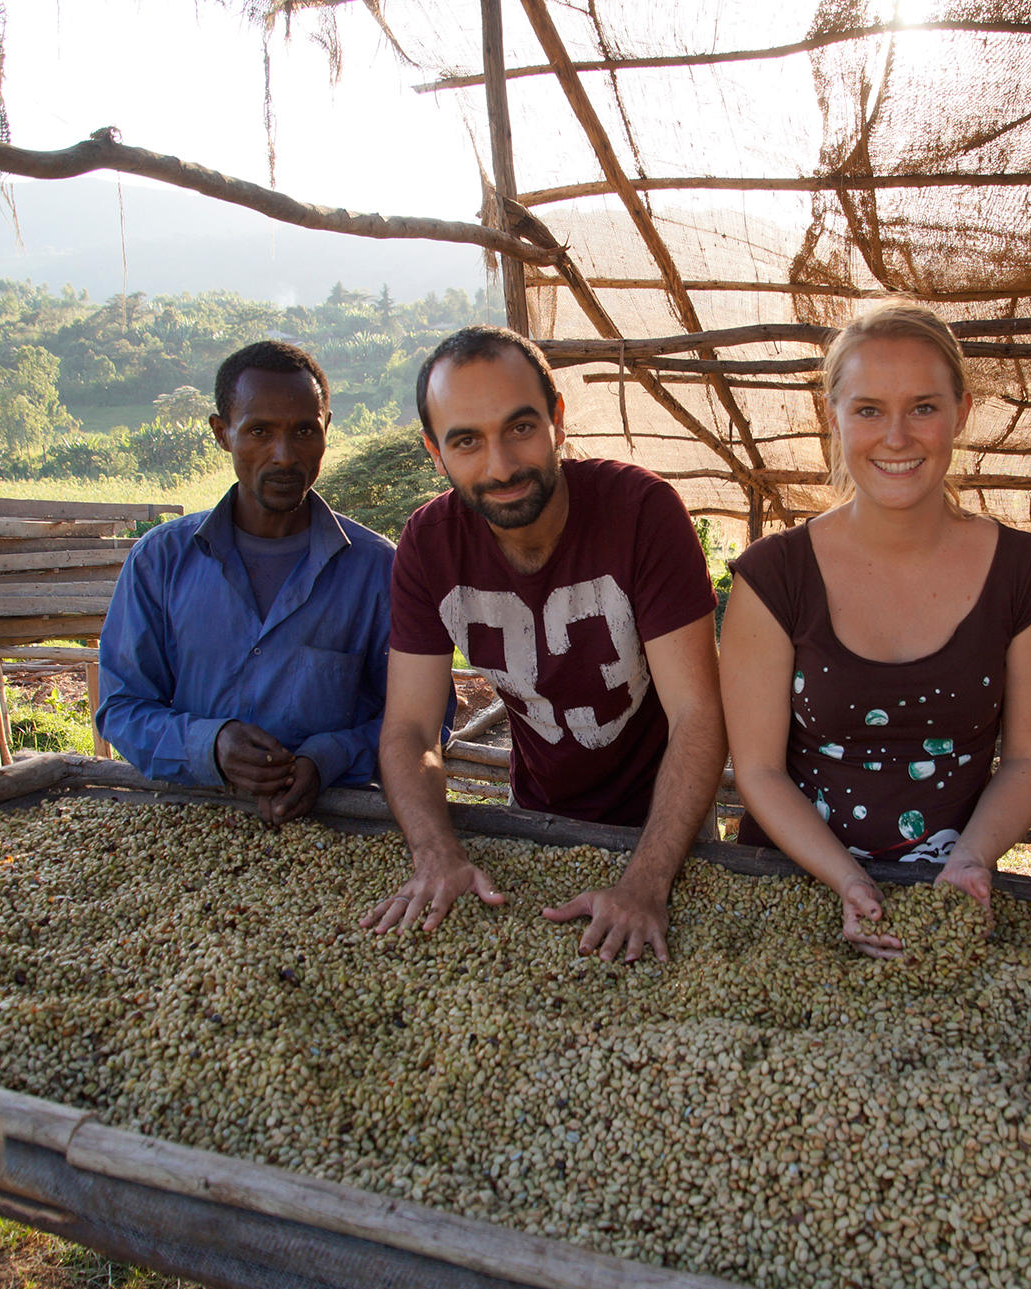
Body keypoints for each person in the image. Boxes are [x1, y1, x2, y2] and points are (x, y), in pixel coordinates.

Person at [720, 302, 1031, 959]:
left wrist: (970, 860)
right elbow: (761, 771)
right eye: (868, 410)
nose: (897, 437)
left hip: (949, 890)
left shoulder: (1025, 576)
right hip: (791, 893)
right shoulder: (775, 578)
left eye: (923, 407)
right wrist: (848, 879)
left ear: (961, 412)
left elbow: (1027, 758)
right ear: (833, 417)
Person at [367, 325, 725, 962]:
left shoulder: (642, 512)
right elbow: (411, 729)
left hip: (667, 833)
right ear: (435, 452)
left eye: (521, 428)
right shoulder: (428, 544)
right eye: (467, 442)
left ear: (558, 420)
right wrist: (437, 853)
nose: (500, 465)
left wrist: (645, 882)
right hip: (533, 815)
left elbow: (699, 715)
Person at [96, 340, 395, 825]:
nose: (284, 455)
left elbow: (421, 718)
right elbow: (121, 708)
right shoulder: (161, 560)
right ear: (222, 433)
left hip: (338, 834)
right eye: (259, 431)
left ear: (327, 431)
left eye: (304, 431)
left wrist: (327, 758)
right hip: (190, 827)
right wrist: (210, 745)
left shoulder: (377, 571)